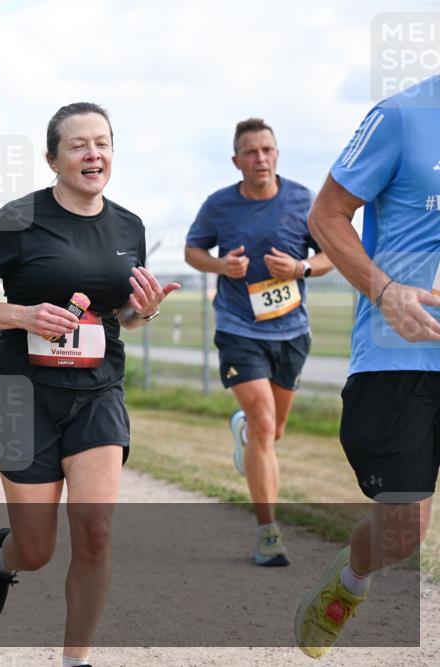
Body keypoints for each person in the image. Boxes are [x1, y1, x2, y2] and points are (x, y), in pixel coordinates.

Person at [0, 103, 179, 667]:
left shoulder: (129, 226)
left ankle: (76, 660)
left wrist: (145, 312)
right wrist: (23, 316)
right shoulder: (18, 219)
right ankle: (3, 559)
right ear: (53, 158)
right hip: (20, 395)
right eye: (78, 145)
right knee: (38, 549)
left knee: (95, 528)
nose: (93, 154)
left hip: (97, 392)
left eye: (102, 142)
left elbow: (124, 316)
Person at [294, 75, 440, 658]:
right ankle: (350, 583)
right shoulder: (402, 116)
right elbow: (327, 216)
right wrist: (386, 292)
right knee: (403, 531)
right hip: (399, 357)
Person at [184, 118, 334, 566]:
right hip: (238, 327)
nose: (260, 158)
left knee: (273, 431)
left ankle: (245, 433)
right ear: (237, 161)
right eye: (251, 152)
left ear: (277, 154)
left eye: (267, 149)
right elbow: (193, 251)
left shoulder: (304, 200)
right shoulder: (219, 206)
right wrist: (220, 268)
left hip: (291, 332)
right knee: (265, 425)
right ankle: (269, 533)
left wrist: (301, 269)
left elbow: (331, 255)